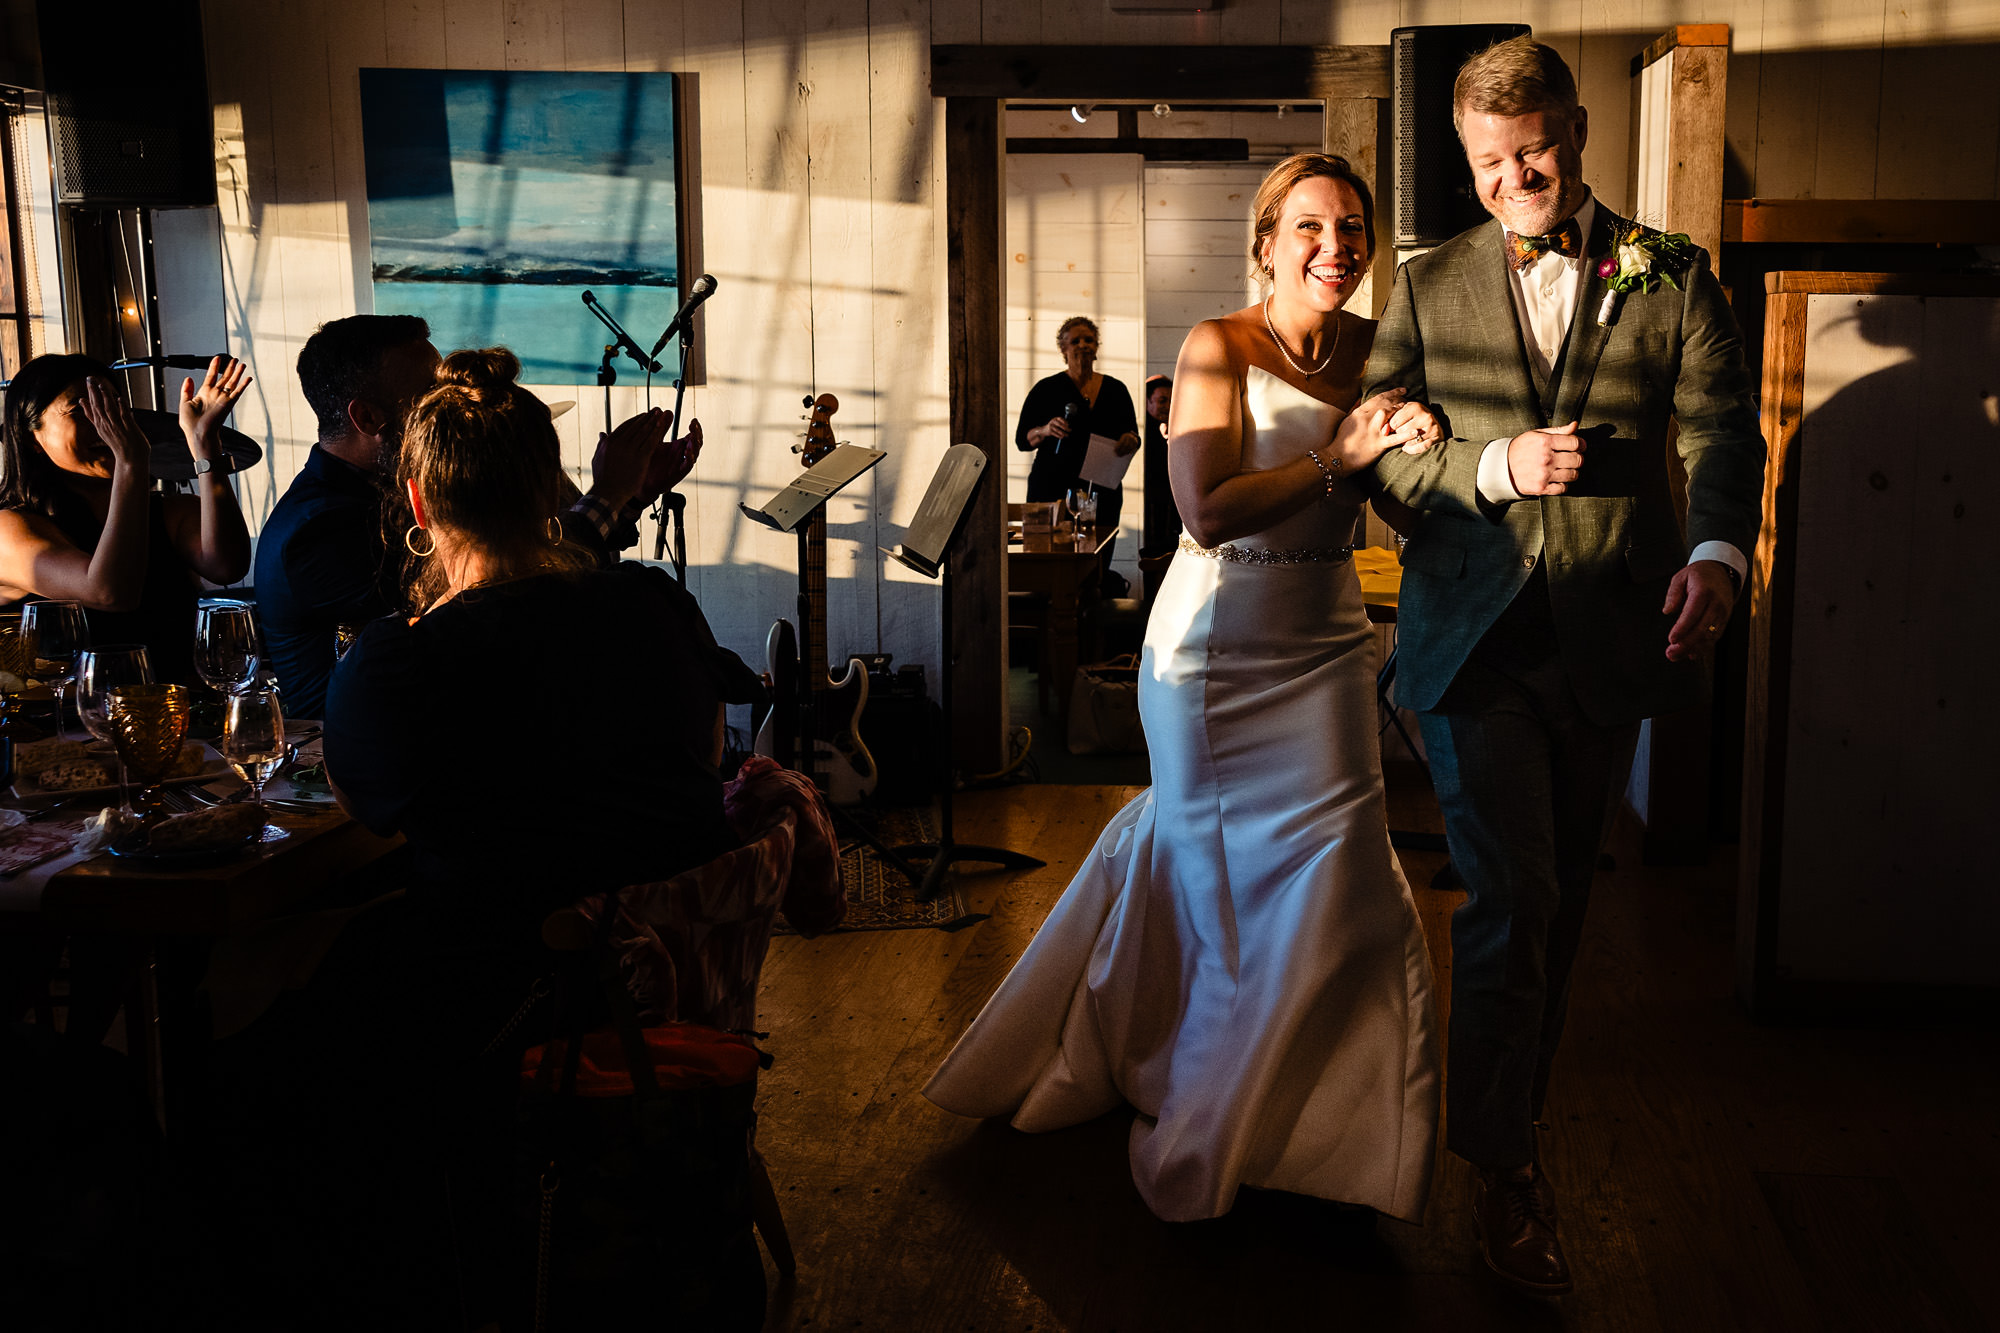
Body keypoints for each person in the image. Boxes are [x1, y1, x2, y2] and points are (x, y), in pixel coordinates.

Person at [927, 154, 1446, 1224]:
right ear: (1265, 242)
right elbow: (1203, 509)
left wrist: (1419, 448)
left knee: (1343, 874)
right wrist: (1337, 452)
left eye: (1351, 227)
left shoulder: (1378, 348)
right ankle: (1193, 1093)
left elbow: (1394, 500)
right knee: (1220, 891)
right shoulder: (1217, 345)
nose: (1334, 247)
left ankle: (1327, 1139)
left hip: (1325, 640)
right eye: (1308, 226)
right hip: (1215, 655)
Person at [1361, 37, 1764, 1296]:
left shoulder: (1673, 272)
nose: (1510, 179)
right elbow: (1376, 456)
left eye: (1528, 150)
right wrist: (1486, 470)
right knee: (1514, 897)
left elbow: (1715, 428)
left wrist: (1712, 551)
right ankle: (1504, 1172)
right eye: (1486, 162)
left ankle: (1502, 1136)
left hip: (1604, 639)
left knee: (1562, 911)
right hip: (1468, 648)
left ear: (1576, 131)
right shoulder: (1428, 286)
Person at [257, 314, 690, 718]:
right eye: (429, 394)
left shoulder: (396, 483)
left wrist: (628, 496)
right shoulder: (317, 529)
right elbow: (503, 586)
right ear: (367, 417)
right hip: (342, 763)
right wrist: (609, 494)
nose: (450, 405)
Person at [0, 354, 253, 683]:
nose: (105, 424)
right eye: (81, 411)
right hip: (79, 727)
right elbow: (110, 592)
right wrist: (131, 462)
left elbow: (228, 566)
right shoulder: (11, 529)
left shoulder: (169, 512)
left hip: (182, 716)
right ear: (32, 437)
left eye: (111, 407)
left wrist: (205, 444)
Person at [1015, 316, 1140, 566]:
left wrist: (1130, 439)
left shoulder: (1116, 390)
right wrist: (1045, 429)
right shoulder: (1045, 389)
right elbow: (1023, 440)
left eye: (1089, 340)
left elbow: (1134, 435)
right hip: (1050, 488)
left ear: (1096, 347)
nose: (1083, 345)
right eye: (1075, 341)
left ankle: (1094, 604)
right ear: (1063, 349)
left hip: (1099, 492)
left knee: (1096, 563)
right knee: (1046, 562)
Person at [1137, 373, 1183, 560]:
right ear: (1147, 402)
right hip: (1149, 504)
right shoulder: (1142, 431)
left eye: (1172, 400)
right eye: (1162, 400)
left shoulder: (1179, 426)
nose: (1168, 406)